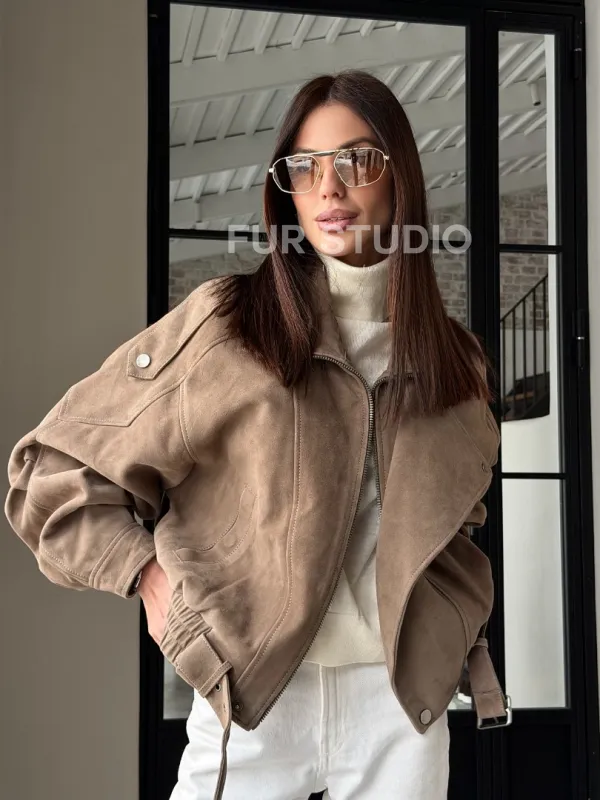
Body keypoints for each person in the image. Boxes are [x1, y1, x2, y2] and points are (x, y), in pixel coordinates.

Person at [4, 70, 509, 800]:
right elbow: (52, 474)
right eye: (304, 167)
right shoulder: (229, 323)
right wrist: (149, 579)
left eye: (357, 160)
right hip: (254, 700)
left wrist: (455, 630)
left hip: (401, 707)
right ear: (286, 192)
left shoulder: (455, 358)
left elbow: (456, 523)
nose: (329, 188)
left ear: (401, 174)